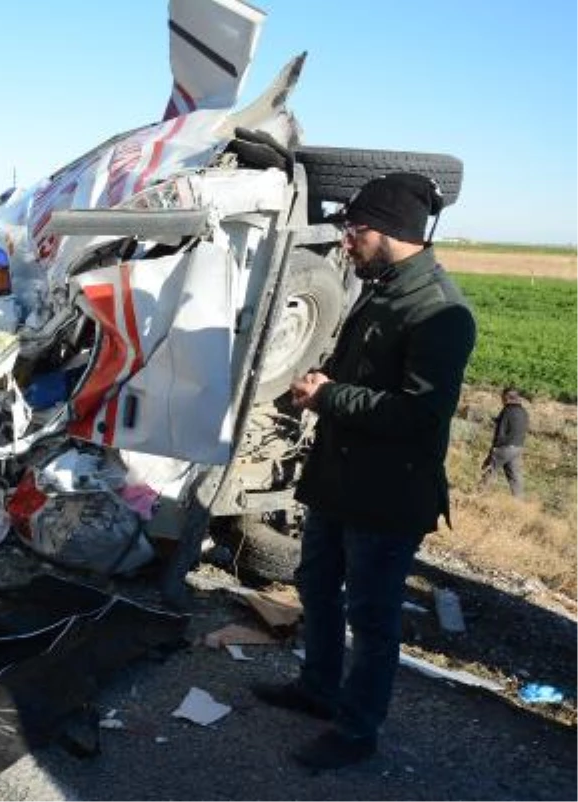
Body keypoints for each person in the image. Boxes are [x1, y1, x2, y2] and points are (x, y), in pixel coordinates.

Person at [250, 173, 477, 770]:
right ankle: (318, 690)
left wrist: (328, 397)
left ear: (388, 231)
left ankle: (356, 731)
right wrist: (320, 383)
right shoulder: (383, 289)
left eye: (354, 232)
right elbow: (361, 371)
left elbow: (419, 415)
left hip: (386, 496)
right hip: (338, 483)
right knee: (317, 590)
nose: (345, 243)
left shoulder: (441, 313)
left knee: (371, 620)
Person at [480, 387, 528, 497]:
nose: (501, 400)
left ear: (506, 397)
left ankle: (478, 495)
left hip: (504, 448)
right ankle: (519, 503)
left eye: (502, 397)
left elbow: (500, 433)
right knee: (515, 477)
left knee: (489, 470)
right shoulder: (523, 411)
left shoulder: (507, 410)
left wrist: (492, 452)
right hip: (518, 448)